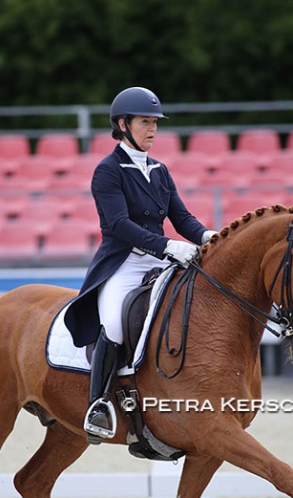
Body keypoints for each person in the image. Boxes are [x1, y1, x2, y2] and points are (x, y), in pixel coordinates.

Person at [64, 86, 217, 442]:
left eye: (155, 123)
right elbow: (118, 225)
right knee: (115, 324)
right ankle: (99, 404)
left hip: (161, 262)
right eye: (145, 122)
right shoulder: (108, 170)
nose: (152, 129)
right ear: (123, 124)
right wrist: (167, 247)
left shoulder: (160, 170)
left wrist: (208, 237)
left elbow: (182, 217)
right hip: (123, 264)